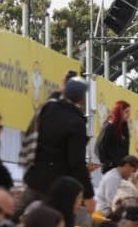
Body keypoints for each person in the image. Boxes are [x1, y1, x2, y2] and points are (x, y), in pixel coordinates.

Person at [22, 77, 94, 207]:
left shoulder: (49, 107)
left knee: (19, 217)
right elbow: (76, 162)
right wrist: (88, 194)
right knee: (47, 223)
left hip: (34, 178)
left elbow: (53, 98)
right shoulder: (77, 122)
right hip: (56, 187)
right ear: (82, 98)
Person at [95, 100, 132, 173]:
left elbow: (125, 150)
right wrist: (107, 162)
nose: (129, 114)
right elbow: (99, 146)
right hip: (110, 170)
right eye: (126, 112)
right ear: (119, 111)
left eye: (129, 112)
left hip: (121, 169)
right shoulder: (109, 126)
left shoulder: (124, 128)